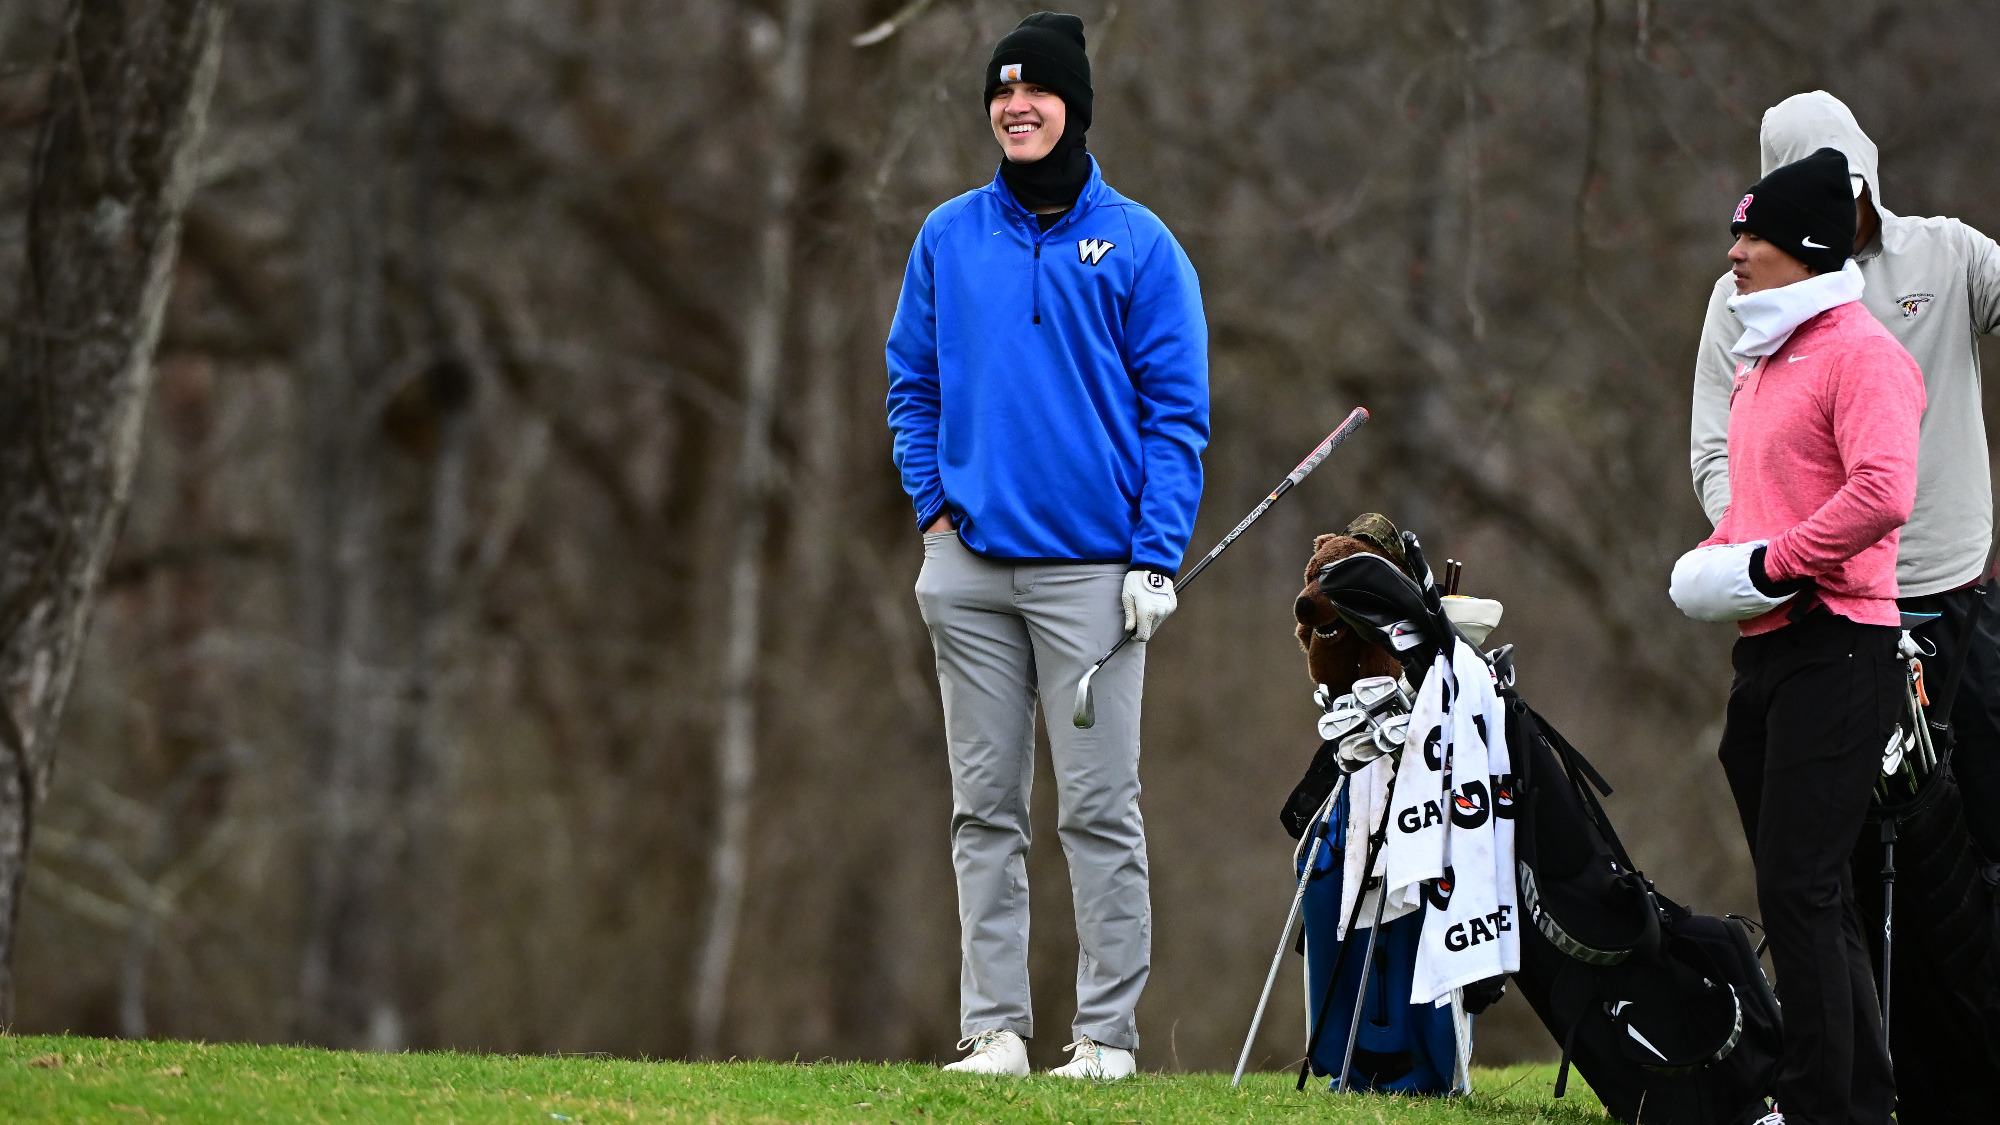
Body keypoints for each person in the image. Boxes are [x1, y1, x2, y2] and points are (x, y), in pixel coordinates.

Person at [882, 12, 1209, 1080]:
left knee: (1097, 812)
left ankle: (1105, 1039)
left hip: (1093, 576)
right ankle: (995, 1032)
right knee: (983, 811)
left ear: (1073, 105)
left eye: (1035, 91)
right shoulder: (948, 236)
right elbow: (911, 384)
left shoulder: (1141, 245)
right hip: (968, 567)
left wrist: (1155, 555)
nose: (1013, 107)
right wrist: (933, 510)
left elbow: (1174, 418)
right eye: (999, 92)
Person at [1670, 148, 1925, 1125]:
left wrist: (1775, 563)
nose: (1733, 253)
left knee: (1802, 888)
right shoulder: (1764, 358)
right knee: (1802, 893)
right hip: (1766, 649)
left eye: (1752, 235)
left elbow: (1880, 494)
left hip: (1838, 641)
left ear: (1807, 248)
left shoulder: (1862, 354)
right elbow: (1757, 508)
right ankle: (1855, 1098)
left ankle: (1818, 1102)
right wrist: (1716, 563)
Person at [1691, 92, 2000, 870]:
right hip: (1827, 612)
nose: (1845, 207)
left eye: (1854, 187)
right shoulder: (1742, 299)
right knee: (1835, 853)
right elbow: (1712, 453)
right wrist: (1769, 554)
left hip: (1951, 592)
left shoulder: (1947, 254)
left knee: (1987, 827)